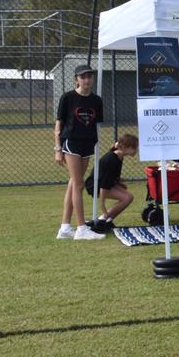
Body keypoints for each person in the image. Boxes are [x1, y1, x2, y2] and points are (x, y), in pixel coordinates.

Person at [54, 64, 106, 241]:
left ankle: (65, 228)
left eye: (89, 76)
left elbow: (96, 123)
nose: (87, 80)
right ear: (76, 79)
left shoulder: (96, 100)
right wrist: (58, 149)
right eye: (83, 77)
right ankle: (82, 228)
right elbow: (59, 124)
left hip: (88, 145)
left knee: (73, 184)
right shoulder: (68, 97)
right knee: (79, 184)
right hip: (71, 143)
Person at [85, 134, 139, 233]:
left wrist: (119, 183)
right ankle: (102, 220)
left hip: (105, 183)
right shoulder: (112, 159)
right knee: (126, 198)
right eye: (134, 148)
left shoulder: (119, 156)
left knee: (129, 196)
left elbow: (113, 176)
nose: (136, 151)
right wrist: (103, 206)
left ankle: (107, 220)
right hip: (95, 185)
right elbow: (104, 185)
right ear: (125, 147)